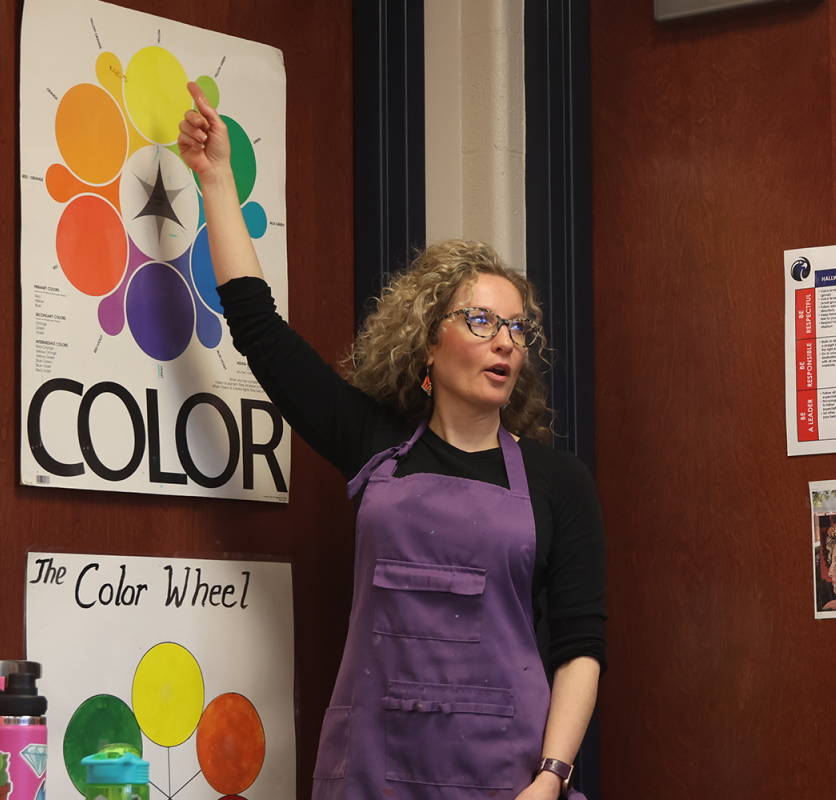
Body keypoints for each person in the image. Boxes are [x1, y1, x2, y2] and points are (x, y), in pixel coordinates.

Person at [178, 83, 606, 800]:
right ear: (427, 343)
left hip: (508, 779)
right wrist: (216, 178)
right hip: (372, 773)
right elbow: (258, 330)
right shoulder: (373, 442)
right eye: (481, 321)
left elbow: (581, 649)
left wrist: (550, 777)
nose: (505, 343)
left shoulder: (559, 484)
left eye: (516, 329)